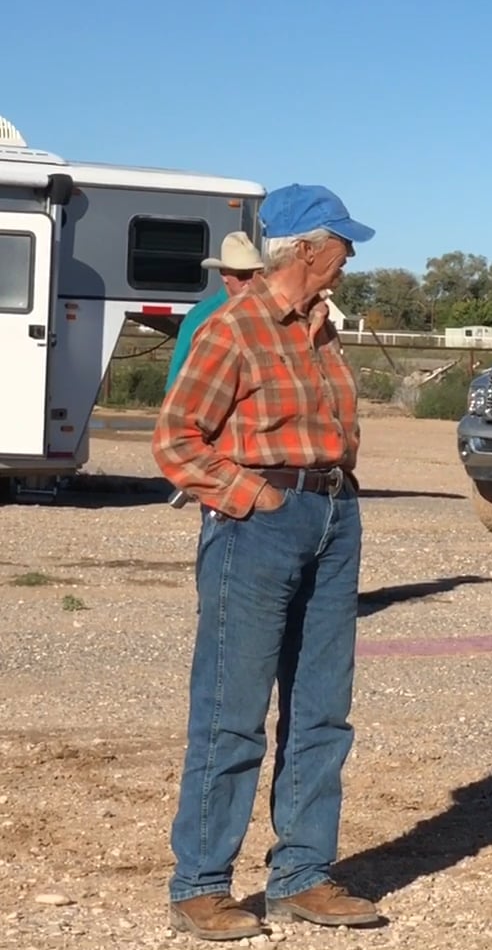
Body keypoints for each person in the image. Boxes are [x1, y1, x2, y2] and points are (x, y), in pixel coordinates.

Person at [151, 183, 381, 940]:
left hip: (332, 517)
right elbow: (177, 441)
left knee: (321, 710)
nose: (349, 259)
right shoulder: (235, 328)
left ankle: (303, 876)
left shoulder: (321, 329)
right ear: (306, 248)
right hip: (261, 524)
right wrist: (255, 498)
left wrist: (331, 499)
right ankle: (201, 885)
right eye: (343, 245)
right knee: (232, 711)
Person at [165, 231, 265, 392]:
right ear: (224, 275)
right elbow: (177, 377)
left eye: (257, 275)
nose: (250, 282)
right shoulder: (200, 316)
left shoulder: (266, 311)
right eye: (243, 275)